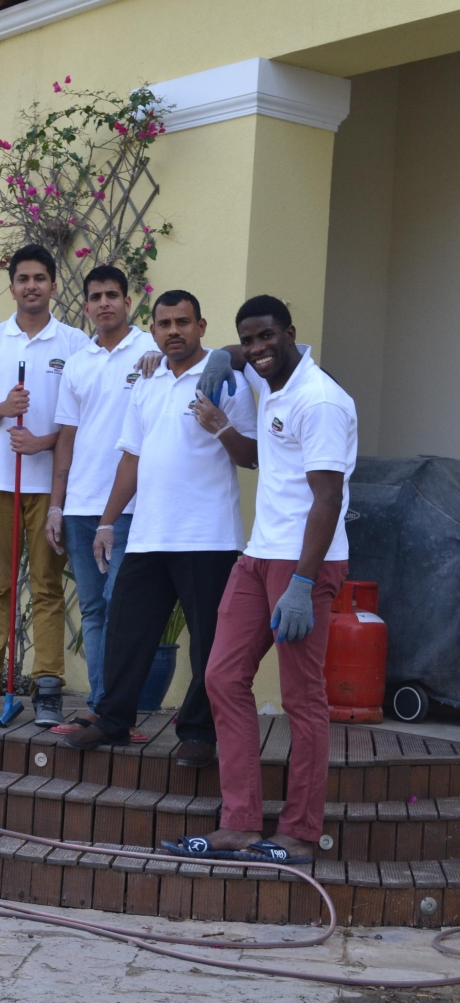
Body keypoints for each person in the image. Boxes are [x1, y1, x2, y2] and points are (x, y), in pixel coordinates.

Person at [171, 295, 356, 864]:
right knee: (223, 676)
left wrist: (303, 582)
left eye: (265, 339)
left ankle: (299, 830)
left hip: (304, 562)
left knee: (303, 698)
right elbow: (259, 452)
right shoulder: (267, 373)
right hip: (256, 557)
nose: (255, 351)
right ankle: (241, 823)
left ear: (291, 334)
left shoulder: (320, 400)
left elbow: (328, 497)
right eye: (248, 341)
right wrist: (221, 362)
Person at [65, 290, 258, 769]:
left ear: (201, 326)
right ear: (152, 331)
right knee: (127, 632)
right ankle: (112, 719)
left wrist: (218, 426)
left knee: (208, 644)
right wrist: (107, 521)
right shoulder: (147, 381)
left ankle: (197, 733)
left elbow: (252, 456)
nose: (174, 331)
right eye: (165, 323)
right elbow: (131, 456)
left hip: (208, 537)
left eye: (183, 322)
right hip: (148, 534)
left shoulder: (226, 379)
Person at [0, 244, 87, 724]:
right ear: (11, 287)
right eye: (23, 278)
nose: (31, 285)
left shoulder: (74, 343)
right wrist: (4, 411)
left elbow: (82, 423)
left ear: (52, 285)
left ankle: (47, 686)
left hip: (51, 486)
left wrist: (43, 441)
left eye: (40, 278)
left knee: (48, 585)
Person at [45, 265, 157, 735]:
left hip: (130, 506)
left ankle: (118, 711)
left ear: (128, 301)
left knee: (120, 607)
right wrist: (56, 504)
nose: (104, 303)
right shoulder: (79, 361)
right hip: (80, 506)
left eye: (113, 294)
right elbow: (66, 438)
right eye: (96, 297)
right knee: (91, 609)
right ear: (86, 306)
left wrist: (164, 366)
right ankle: (99, 706)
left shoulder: (152, 351)